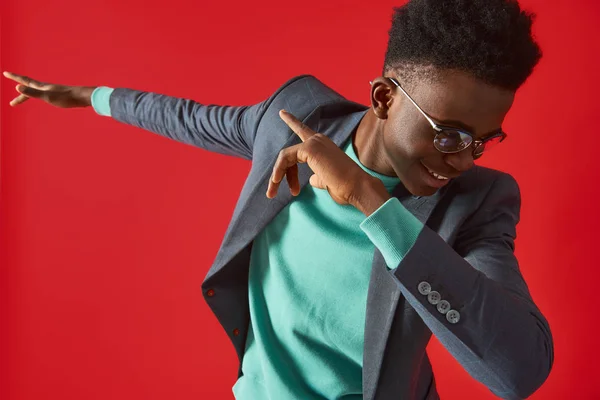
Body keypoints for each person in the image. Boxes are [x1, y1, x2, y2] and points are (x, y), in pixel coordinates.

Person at [3, 0, 554, 398]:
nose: (462, 159)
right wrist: (86, 96)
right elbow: (187, 118)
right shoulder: (295, 120)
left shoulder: (477, 204)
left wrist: (375, 207)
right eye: (448, 133)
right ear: (385, 97)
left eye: (482, 141)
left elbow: (517, 371)